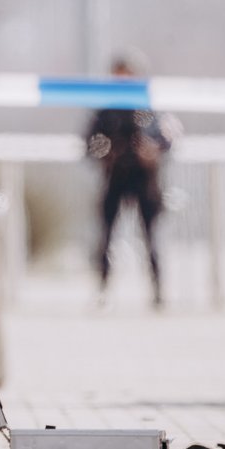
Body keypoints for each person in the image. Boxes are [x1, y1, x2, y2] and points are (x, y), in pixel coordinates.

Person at [85, 51, 181, 308]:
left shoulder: (148, 108)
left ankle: (158, 290)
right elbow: (90, 143)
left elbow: (168, 139)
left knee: (151, 236)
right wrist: (108, 151)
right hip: (115, 178)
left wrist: (151, 150)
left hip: (145, 180)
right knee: (107, 237)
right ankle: (103, 287)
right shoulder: (106, 111)